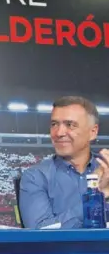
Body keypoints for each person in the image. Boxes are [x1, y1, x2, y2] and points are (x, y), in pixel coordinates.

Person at [19, 96, 109, 229]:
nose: (59, 133)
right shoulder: (35, 177)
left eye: (70, 125)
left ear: (93, 132)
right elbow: (40, 231)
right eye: (54, 124)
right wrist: (96, 199)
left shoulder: (106, 170)